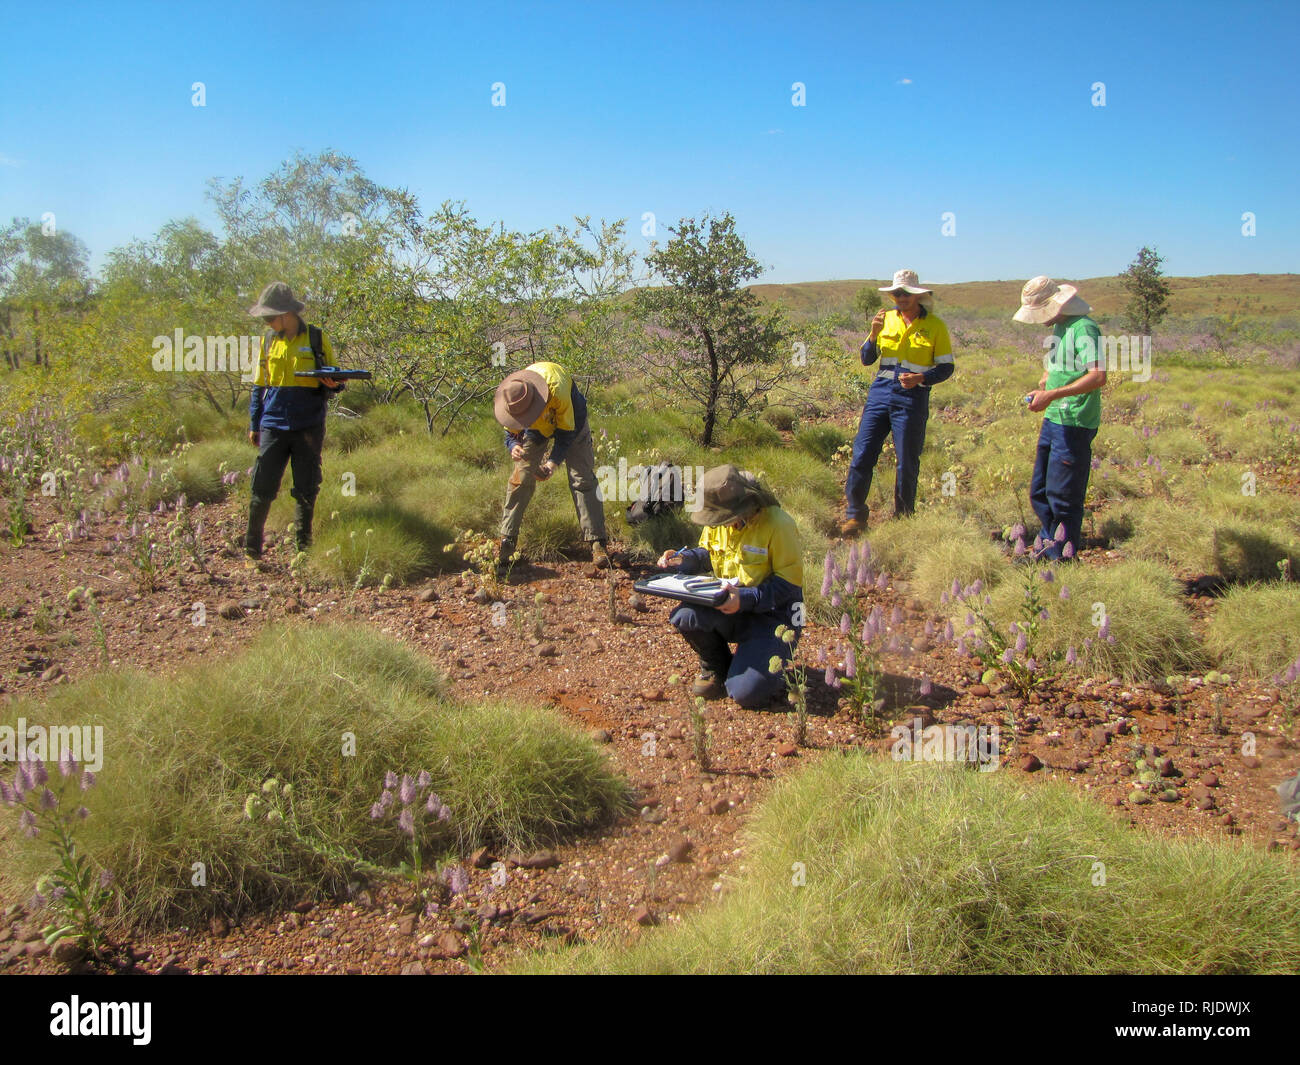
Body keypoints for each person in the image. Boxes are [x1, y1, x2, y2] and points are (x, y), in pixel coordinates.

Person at [657, 465, 803, 709]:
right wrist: (684, 559)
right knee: (685, 616)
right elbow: (708, 554)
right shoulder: (719, 522)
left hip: (775, 618)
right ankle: (718, 666)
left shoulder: (778, 525)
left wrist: (745, 599)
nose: (720, 523)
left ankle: (763, 660)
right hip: (731, 606)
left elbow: (787, 585)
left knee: (745, 693)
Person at [841, 269, 954, 537]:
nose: (900, 297)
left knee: (906, 461)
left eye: (906, 293)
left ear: (918, 296)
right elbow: (867, 359)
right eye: (897, 293)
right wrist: (872, 333)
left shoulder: (935, 326)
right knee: (862, 453)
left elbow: (947, 367)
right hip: (880, 393)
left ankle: (903, 519)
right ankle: (855, 516)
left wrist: (922, 378)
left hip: (912, 397)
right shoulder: (884, 320)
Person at [244, 282, 343, 560]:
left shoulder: (315, 338)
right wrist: (255, 423)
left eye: (269, 316)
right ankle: (252, 551)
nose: (266, 322)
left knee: (306, 489)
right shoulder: (268, 340)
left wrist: (332, 383)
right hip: (273, 424)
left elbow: (335, 378)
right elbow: (259, 385)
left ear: (287, 313)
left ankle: (303, 551)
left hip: (308, 425)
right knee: (262, 488)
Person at [1014, 276, 1106, 561]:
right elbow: (1065, 367)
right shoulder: (1061, 327)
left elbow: (1097, 376)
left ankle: (1061, 558)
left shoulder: (1085, 328)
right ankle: (1046, 544)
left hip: (1075, 421)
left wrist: (1052, 395)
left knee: (1063, 494)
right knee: (1041, 489)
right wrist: (1046, 380)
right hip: (1054, 418)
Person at [493, 362, 609, 573]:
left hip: (573, 423)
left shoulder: (557, 390)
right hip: (537, 429)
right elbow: (511, 433)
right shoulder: (511, 396)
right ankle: (507, 543)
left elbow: (566, 434)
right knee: (520, 479)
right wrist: (514, 445)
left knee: (581, 478)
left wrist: (551, 463)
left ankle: (597, 542)